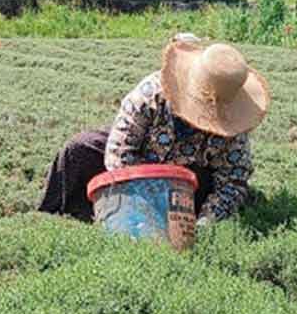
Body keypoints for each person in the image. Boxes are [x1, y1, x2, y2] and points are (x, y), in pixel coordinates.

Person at [37, 37, 269, 226]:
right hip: (139, 161)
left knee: (215, 191)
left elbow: (232, 180)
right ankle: (60, 216)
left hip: (188, 178)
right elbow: (120, 153)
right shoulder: (150, 94)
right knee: (78, 149)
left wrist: (206, 222)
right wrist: (148, 202)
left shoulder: (233, 125)